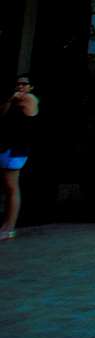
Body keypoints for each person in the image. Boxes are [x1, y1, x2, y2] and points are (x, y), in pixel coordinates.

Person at [1, 75, 38, 240]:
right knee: (8, 186)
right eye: (18, 84)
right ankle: (7, 225)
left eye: (25, 84)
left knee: (11, 186)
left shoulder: (30, 99)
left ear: (31, 87)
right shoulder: (13, 100)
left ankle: (9, 227)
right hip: (8, 147)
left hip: (18, 148)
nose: (21, 87)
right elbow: (2, 112)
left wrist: (12, 99)